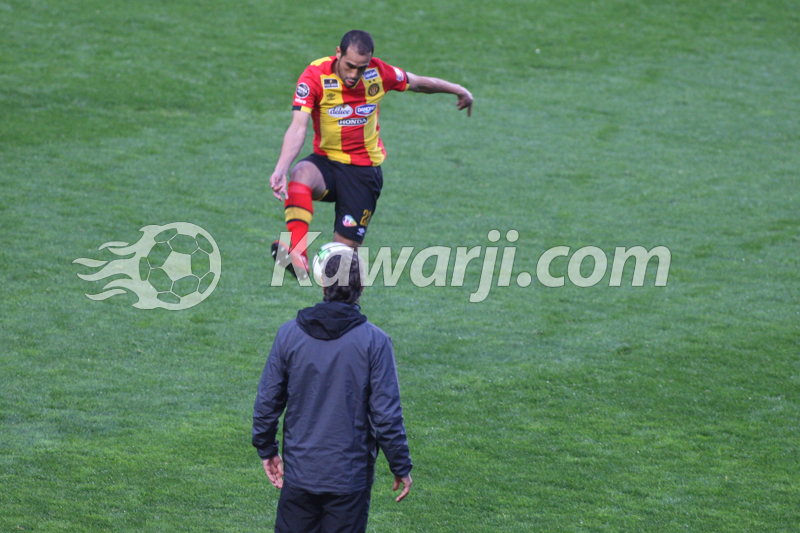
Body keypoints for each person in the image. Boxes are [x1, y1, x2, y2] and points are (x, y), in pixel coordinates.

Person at [269, 29, 474, 279]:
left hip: (363, 174)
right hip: (327, 164)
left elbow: (419, 83)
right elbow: (298, 126)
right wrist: (280, 168)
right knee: (299, 173)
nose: (355, 74)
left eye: (362, 68)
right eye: (350, 66)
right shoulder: (314, 75)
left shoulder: (379, 72)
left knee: (340, 261)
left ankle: (338, 313)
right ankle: (297, 252)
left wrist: (459, 90)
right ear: (338, 53)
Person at [253, 248, 413, 533]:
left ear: (324, 285)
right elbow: (386, 416)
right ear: (361, 287)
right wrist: (400, 465)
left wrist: (267, 449)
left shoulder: (289, 334)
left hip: (300, 474)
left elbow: (267, 401)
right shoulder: (375, 342)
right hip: (348, 480)